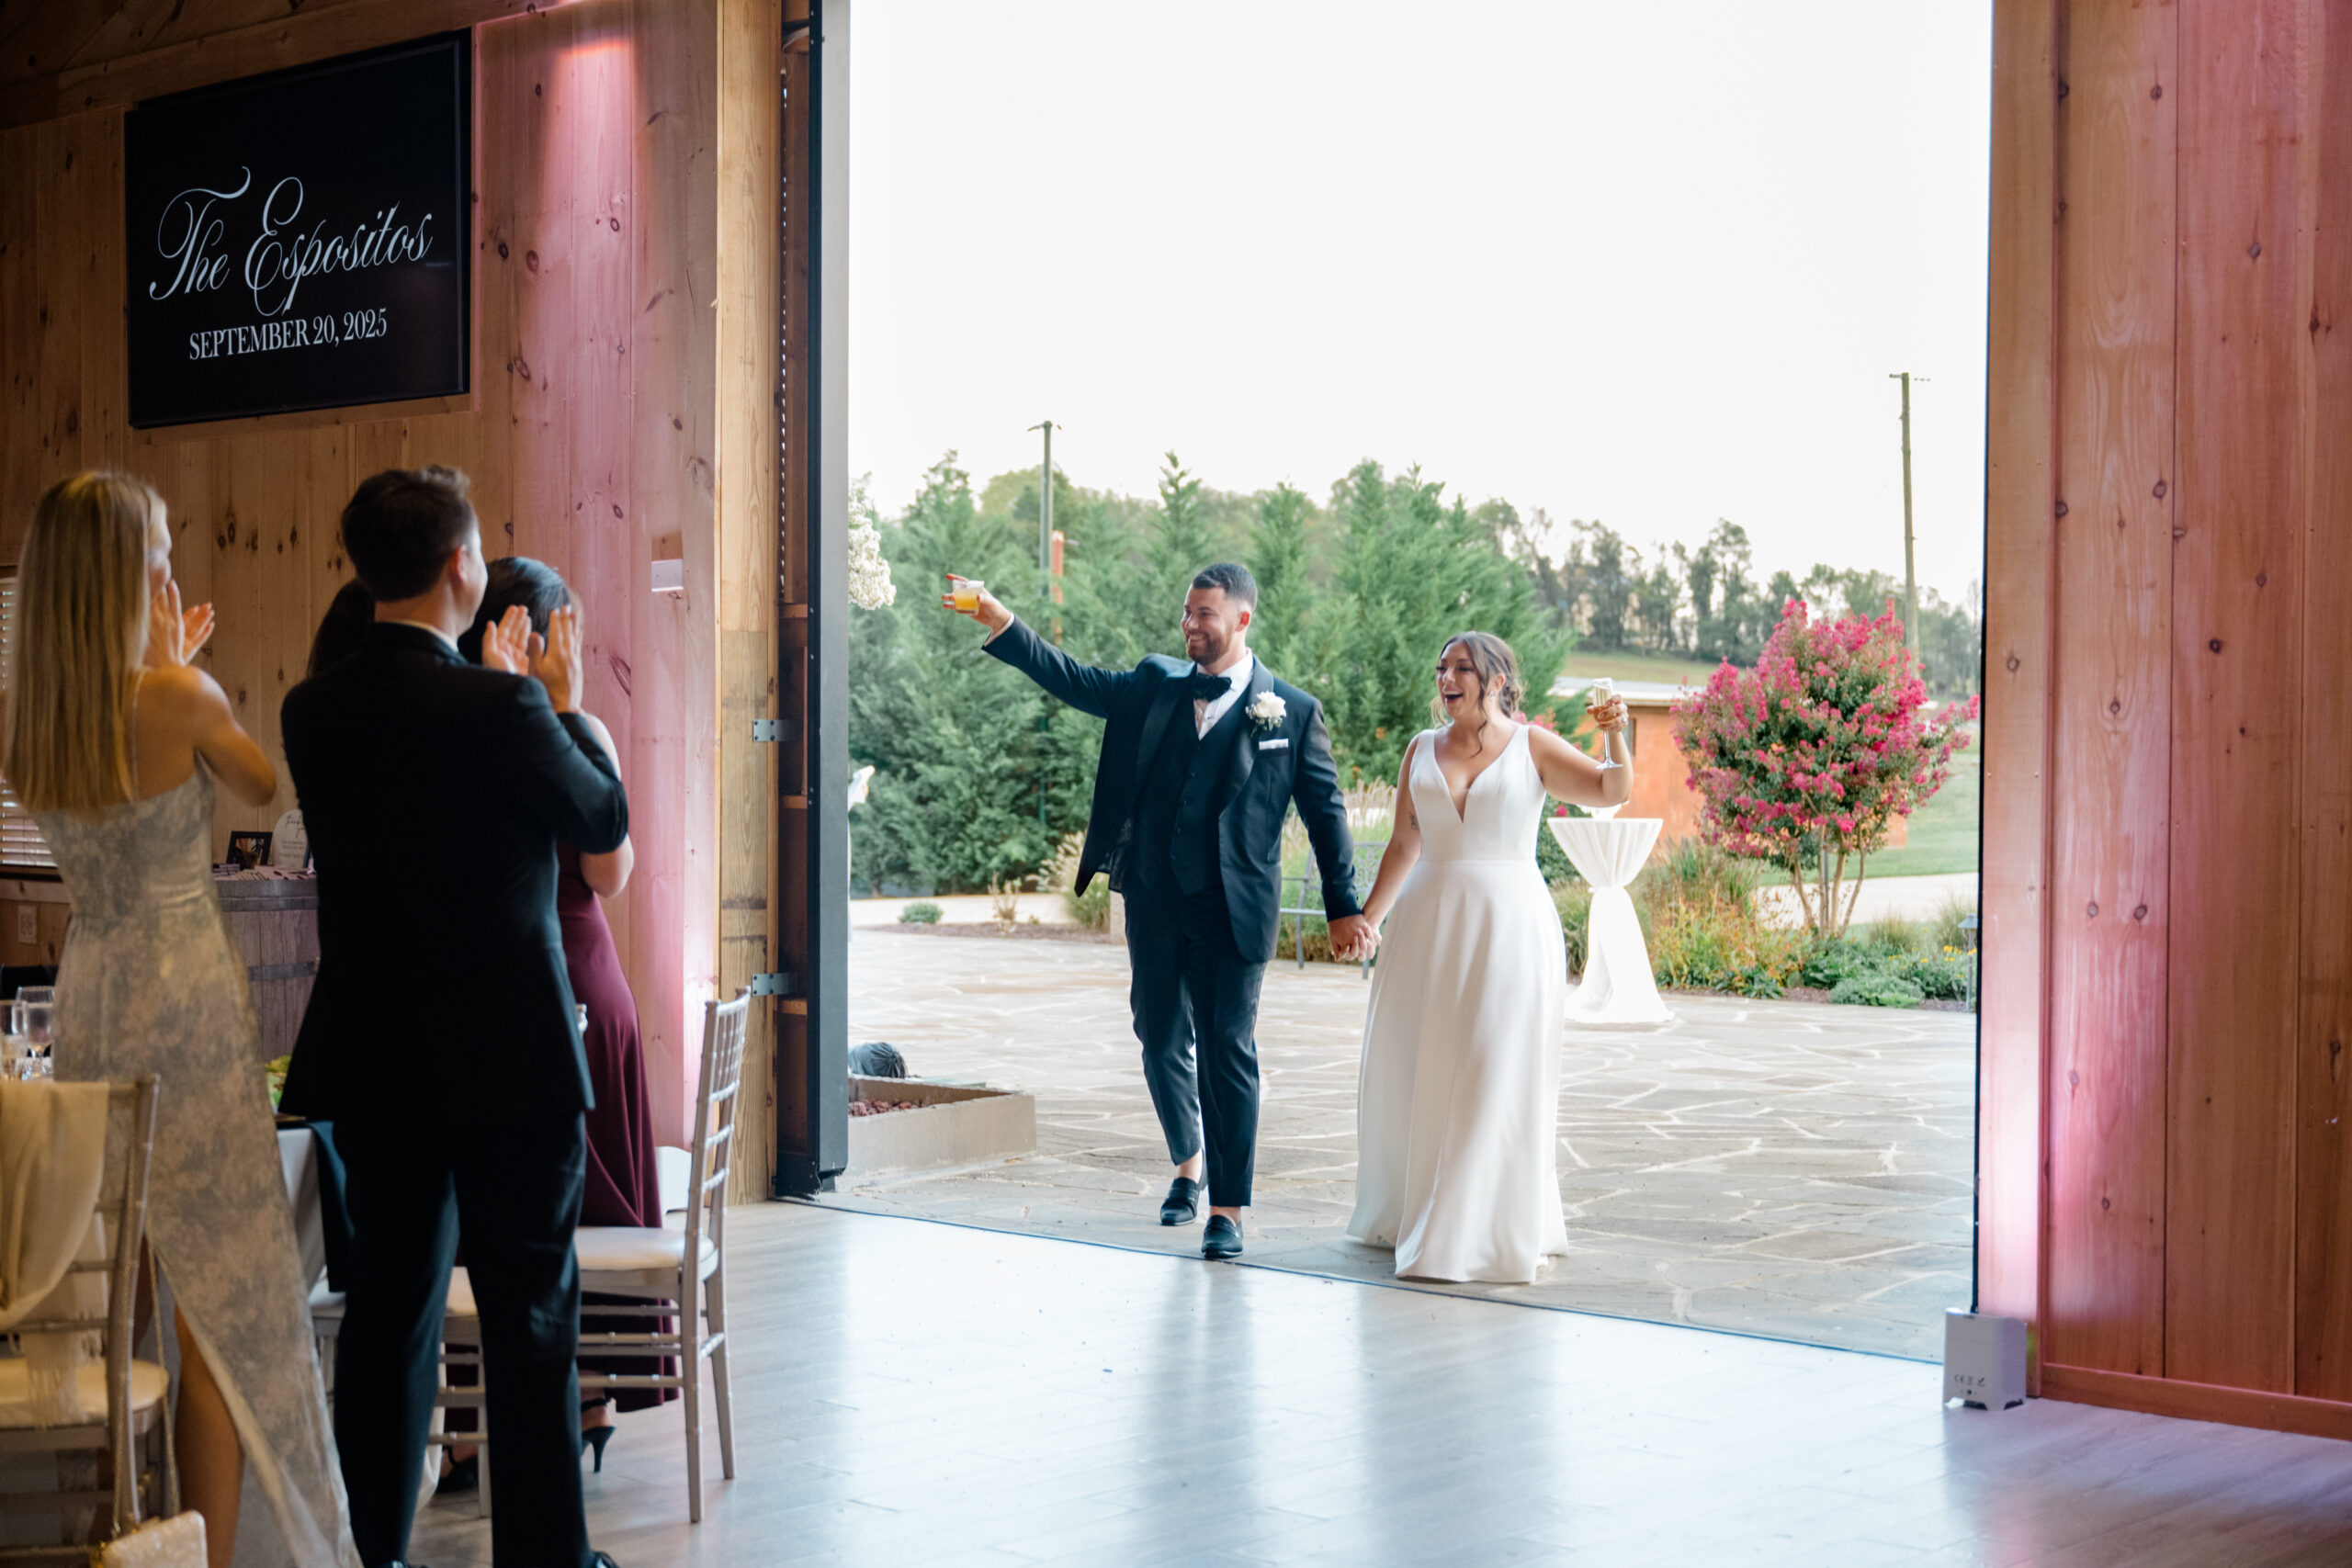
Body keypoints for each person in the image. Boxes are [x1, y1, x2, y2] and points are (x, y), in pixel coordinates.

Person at [6, 471, 360, 1568]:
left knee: (119, 1292)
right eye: (158, 553)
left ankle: (118, 1531)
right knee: (222, 1312)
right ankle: (203, 1557)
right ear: (128, 575)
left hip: (95, 991)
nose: (171, 571)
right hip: (190, 1000)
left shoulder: (32, 721)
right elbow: (258, 788)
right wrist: (184, 675)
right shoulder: (181, 702)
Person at [278, 467, 629, 1568]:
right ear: (459, 568)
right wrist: (564, 699)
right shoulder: (507, 706)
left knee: (387, 1321)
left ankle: (373, 1553)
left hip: (371, 1059)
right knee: (528, 1320)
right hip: (512, 1064)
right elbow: (600, 817)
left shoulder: (311, 709)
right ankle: (545, 1562)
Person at [947, 564, 1374, 1260]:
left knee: (1228, 1049)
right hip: (1154, 895)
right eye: (1186, 613)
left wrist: (1343, 906)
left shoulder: (1291, 712)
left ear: (1242, 619)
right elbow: (1077, 680)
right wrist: (1003, 622)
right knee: (1160, 1031)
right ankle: (1187, 1159)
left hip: (1235, 908)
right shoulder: (1153, 684)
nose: (1189, 625)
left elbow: (1327, 815)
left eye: (1205, 614)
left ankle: (1228, 1210)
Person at [459, 558, 670, 1466]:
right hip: (531, 977)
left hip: (568, 975)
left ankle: (570, 1396)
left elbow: (608, 873)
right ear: (524, 636)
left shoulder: (554, 731)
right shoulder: (501, 725)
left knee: (553, 1202)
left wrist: (573, 717)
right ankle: (532, 1406)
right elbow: (602, 872)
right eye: (560, 631)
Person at [1347, 633, 1631, 1283]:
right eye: (1442, 666)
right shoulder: (1420, 748)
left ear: (1497, 679)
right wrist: (1368, 918)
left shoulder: (1533, 746)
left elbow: (1611, 788)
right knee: (1424, 1068)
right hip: (1426, 926)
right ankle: (1416, 1205)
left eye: (1462, 668)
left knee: (1492, 1066)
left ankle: (1473, 1226)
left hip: (1509, 927)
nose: (1447, 677)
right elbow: (1403, 843)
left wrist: (1616, 732)